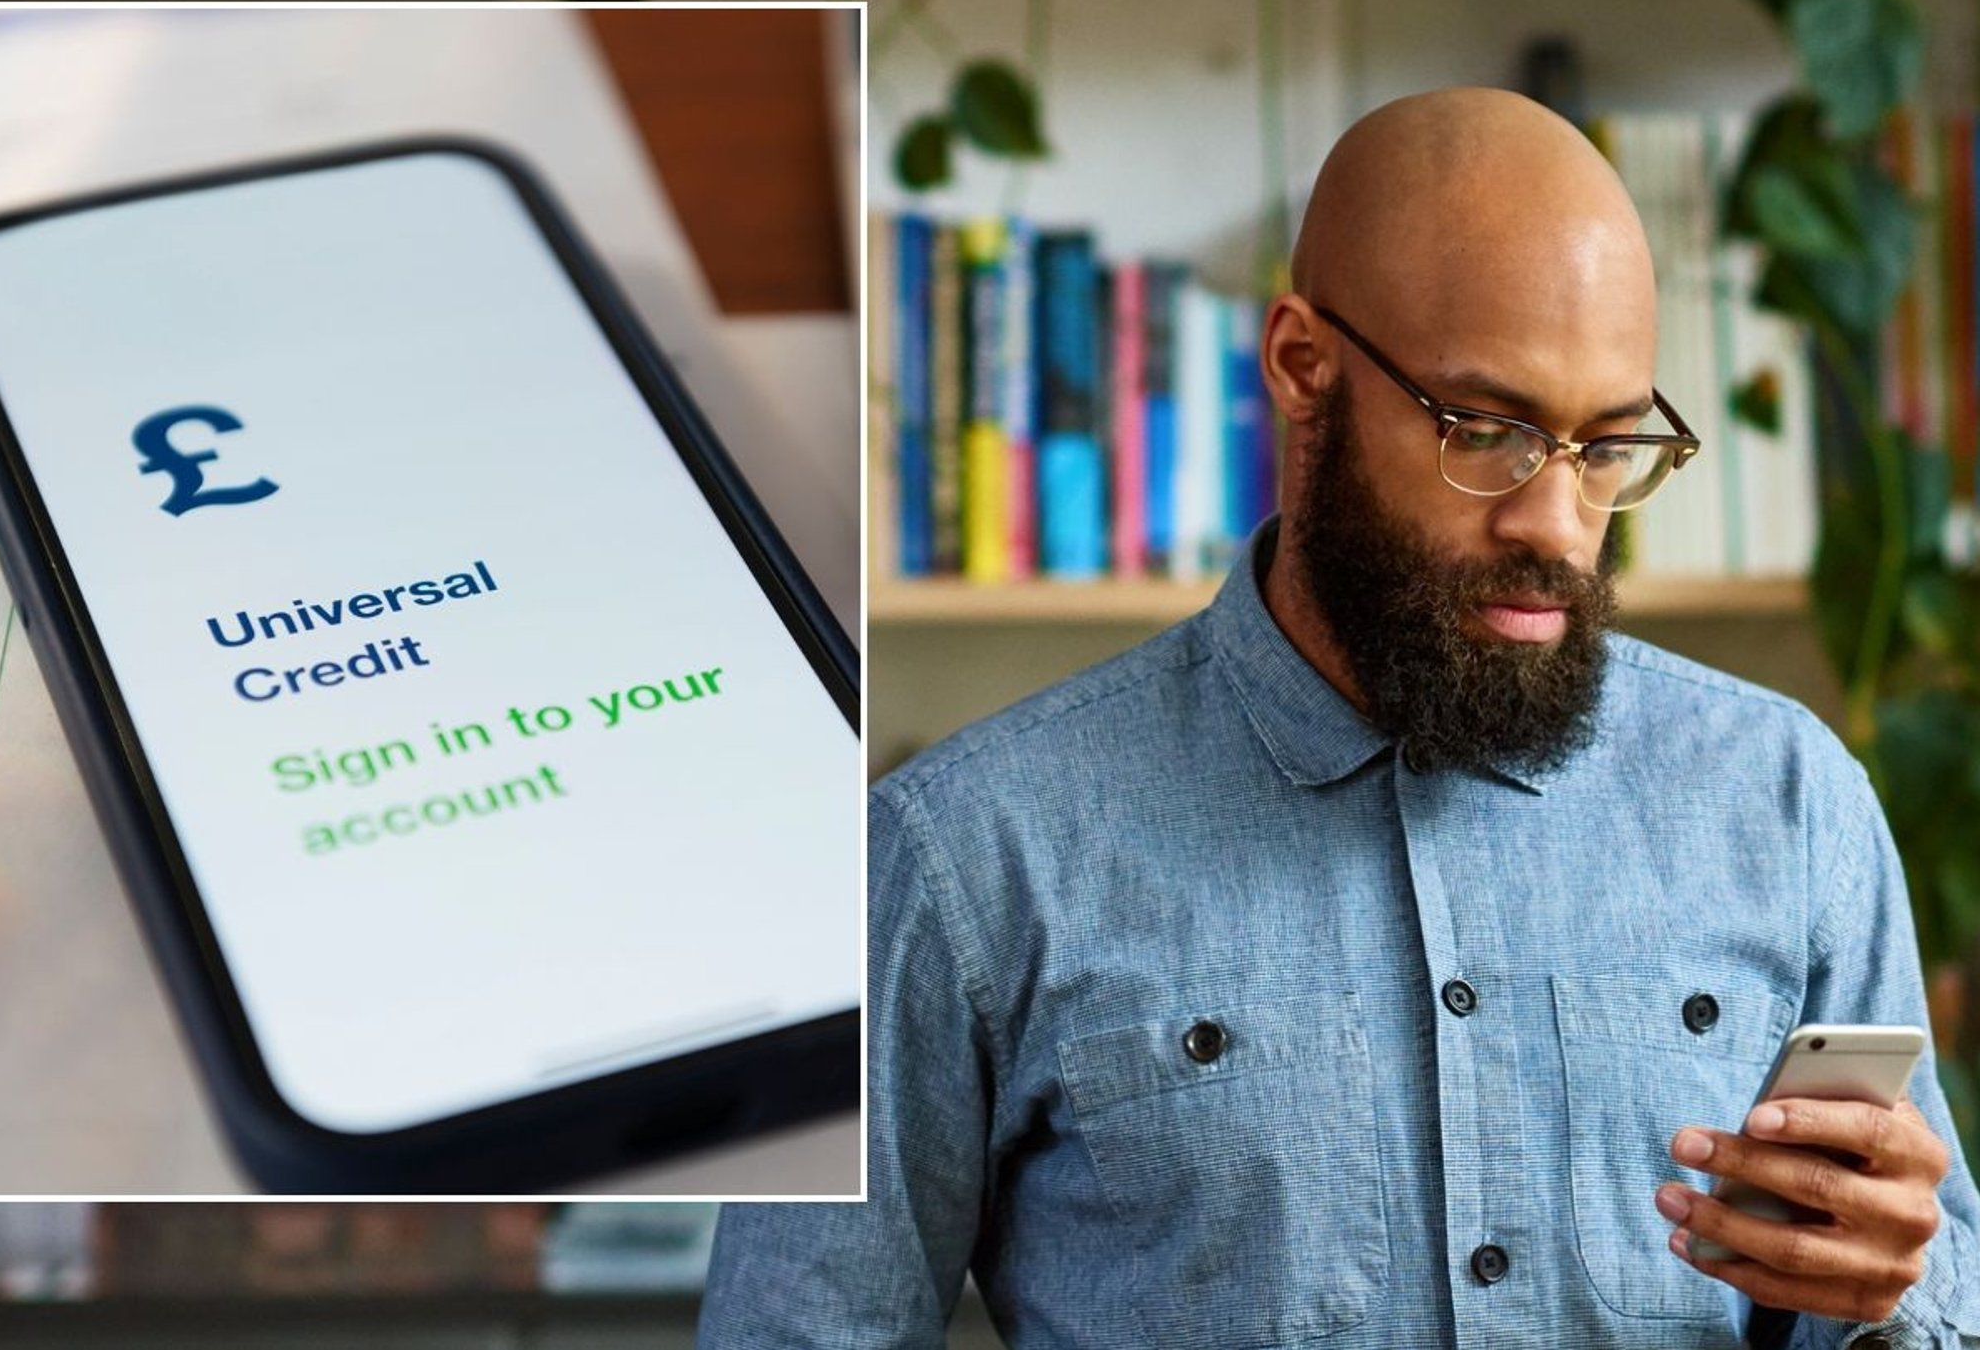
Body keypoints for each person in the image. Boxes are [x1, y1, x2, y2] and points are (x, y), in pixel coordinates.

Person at [698, 88, 1980, 1348]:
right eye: (1485, 431)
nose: (1554, 523)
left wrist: (1888, 1311)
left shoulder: (1788, 799)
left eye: (1605, 447)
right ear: (1304, 371)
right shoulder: (959, 857)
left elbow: (1928, 1288)